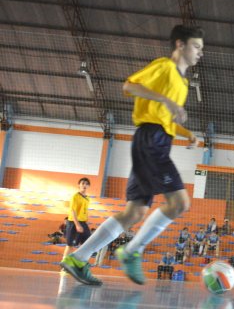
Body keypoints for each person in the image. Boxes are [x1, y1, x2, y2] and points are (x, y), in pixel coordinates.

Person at [60, 24, 203, 286]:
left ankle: (78, 258)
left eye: (201, 48)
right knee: (180, 203)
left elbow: (164, 118)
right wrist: (167, 101)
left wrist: (186, 133)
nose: (200, 52)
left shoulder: (182, 84)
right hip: (151, 141)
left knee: (134, 212)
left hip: (157, 140)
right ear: (180, 45)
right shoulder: (164, 67)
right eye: (196, 46)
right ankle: (132, 250)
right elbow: (129, 86)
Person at [64, 177, 92, 253]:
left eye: (87, 184)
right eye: (83, 183)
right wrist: (77, 225)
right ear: (79, 185)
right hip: (73, 222)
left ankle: (78, 260)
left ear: (89, 186)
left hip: (83, 223)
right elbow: (73, 211)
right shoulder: (75, 197)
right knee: (70, 245)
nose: (84, 185)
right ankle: (64, 262)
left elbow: (84, 211)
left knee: (88, 242)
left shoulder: (88, 198)